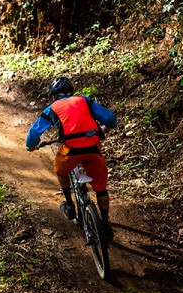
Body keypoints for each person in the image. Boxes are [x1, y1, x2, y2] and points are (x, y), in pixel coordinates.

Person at [25, 77, 117, 241]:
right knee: (101, 188)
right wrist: (102, 130)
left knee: (61, 171)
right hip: (93, 148)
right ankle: (105, 222)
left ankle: (69, 203)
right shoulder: (85, 101)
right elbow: (110, 119)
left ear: (53, 96)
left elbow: (34, 133)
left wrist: (31, 145)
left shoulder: (51, 108)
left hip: (71, 151)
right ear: (71, 92)